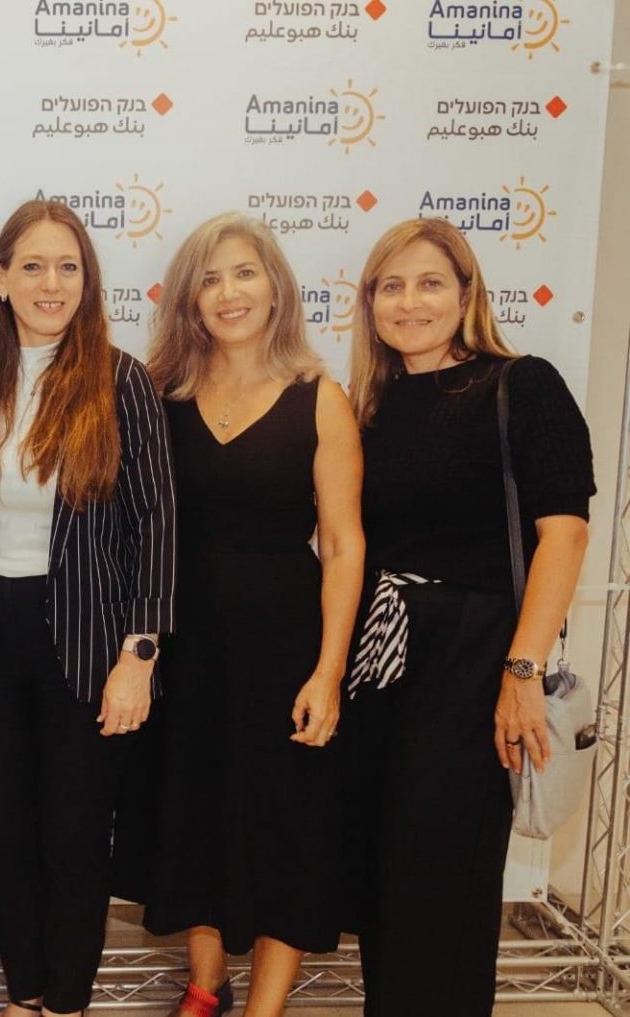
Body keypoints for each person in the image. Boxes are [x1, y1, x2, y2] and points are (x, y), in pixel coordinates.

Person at [0, 199, 177, 1017]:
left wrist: (139, 654)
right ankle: (25, 994)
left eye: (68, 266)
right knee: (4, 837)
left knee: (75, 839)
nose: (51, 283)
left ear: (87, 280)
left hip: (88, 639)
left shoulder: (121, 379)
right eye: (32, 265)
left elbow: (155, 521)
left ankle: (67, 1003)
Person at [344, 217, 593, 1015]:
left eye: (429, 283)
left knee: (443, 880)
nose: (409, 302)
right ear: (370, 302)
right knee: (385, 879)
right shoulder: (371, 406)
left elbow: (565, 534)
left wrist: (521, 671)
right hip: (384, 660)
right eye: (391, 286)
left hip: (476, 660)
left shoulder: (523, 386)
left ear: (466, 293)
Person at [142, 213, 363, 1017]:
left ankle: (265, 1006)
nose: (228, 292)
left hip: (286, 649)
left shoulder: (321, 399)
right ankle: (207, 982)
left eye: (244, 273)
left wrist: (328, 671)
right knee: (191, 813)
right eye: (209, 278)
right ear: (189, 300)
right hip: (184, 649)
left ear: (276, 289)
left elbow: (342, 543)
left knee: (285, 826)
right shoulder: (159, 397)